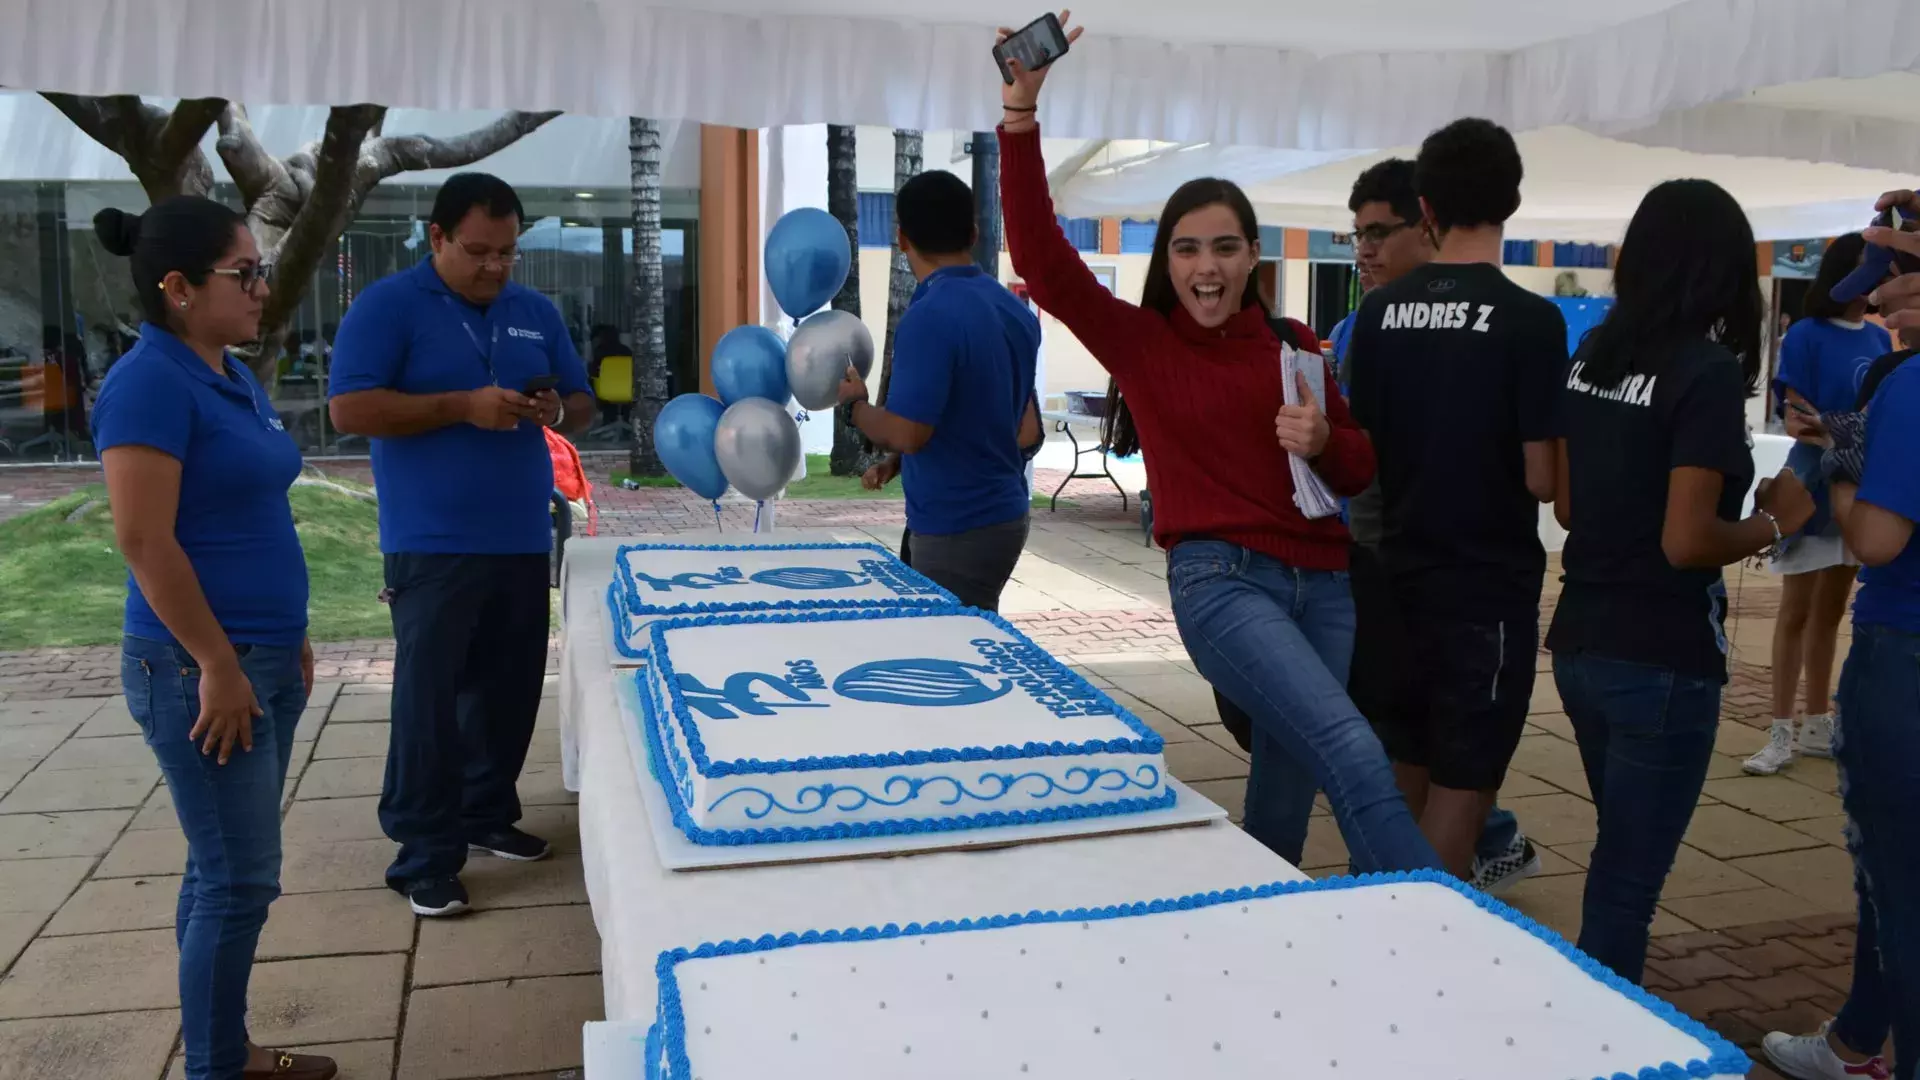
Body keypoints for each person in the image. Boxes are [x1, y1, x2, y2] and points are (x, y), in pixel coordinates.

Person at [996, 14, 1439, 873]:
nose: (1207, 264)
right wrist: (1020, 115)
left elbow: (1358, 465)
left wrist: (1320, 440)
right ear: (1169, 260)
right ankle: (1443, 934)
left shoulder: (1294, 345)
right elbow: (1045, 263)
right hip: (1222, 583)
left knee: (1286, 785)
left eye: (1225, 247)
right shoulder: (1146, 343)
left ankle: (1254, 937)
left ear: (1251, 259)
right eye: (1188, 247)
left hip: (1327, 586)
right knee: (1351, 750)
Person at [90, 197, 336, 1080]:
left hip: (260, 659)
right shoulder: (148, 381)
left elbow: (252, 508)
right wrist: (219, 664)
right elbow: (143, 539)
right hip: (199, 669)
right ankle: (217, 1070)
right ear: (179, 289)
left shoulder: (229, 372)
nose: (264, 286)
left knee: (220, 869)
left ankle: (223, 1053)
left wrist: (289, 633)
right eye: (245, 273)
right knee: (241, 881)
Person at [1547, 179, 1814, 985]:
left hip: (1582, 640)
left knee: (1617, 859)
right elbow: (1686, 540)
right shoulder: (1702, 372)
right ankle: (1606, 1040)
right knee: (1627, 885)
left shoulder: (1593, 355)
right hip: (1659, 655)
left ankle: (1593, 1024)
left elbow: (1566, 505)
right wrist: (1778, 524)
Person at [328, 173, 595, 918]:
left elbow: (580, 403)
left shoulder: (533, 312)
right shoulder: (388, 306)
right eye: (479, 251)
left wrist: (555, 408)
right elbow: (349, 407)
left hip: (518, 534)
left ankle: (485, 816)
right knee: (429, 705)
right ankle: (424, 854)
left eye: (508, 252)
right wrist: (460, 408)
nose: (495, 267)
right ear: (437, 237)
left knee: (508, 692)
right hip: (432, 541)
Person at [1345, 117, 1565, 880]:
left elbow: (1360, 453)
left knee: (1403, 765)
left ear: (1426, 205)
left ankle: (1373, 930)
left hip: (1397, 574)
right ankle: (1413, 946)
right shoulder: (1533, 321)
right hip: (1485, 589)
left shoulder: (1377, 315)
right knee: (1464, 783)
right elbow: (1542, 478)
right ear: (1510, 200)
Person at [1762, 200, 1917, 1078]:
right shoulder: (1842, 347)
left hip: (1901, 643)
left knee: (1894, 881)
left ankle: (1868, 1050)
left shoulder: (1905, 387)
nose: (1883, 299)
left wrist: (1851, 465)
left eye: (1893, 275)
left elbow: (1878, 542)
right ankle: (1859, 1040)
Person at [838, 170, 1043, 612]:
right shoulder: (1014, 310)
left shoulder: (929, 316)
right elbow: (1022, 429)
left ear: (902, 239)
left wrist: (855, 407)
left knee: (948, 659)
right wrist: (900, 463)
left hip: (956, 526)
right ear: (972, 233)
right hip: (1004, 513)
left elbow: (910, 432)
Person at [1747, 234, 1892, 776]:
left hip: (1855, 485)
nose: (1876, 276)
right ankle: (1780, 728)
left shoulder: (1880, 344)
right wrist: (1846, 434)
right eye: (1866, 266)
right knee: (1796, 609)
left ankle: (1815, 723)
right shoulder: (1806, 335)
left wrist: (1841, 435)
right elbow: (1797, 419)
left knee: (1832, 610)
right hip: (1811, 484)